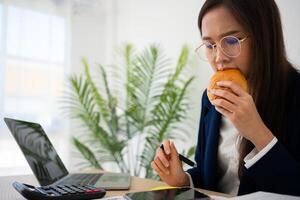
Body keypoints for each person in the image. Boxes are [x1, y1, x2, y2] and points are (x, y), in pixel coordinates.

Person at [151, 0, 300, 196]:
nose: (219, 57)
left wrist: (258, 134)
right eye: (209, 45)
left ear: (264, 37)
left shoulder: (295, 92)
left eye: (231, 41)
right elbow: (211, 178)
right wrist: (183, 180)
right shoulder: (211, 97)